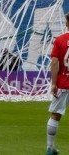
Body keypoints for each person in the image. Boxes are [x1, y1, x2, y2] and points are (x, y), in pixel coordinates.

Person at [46, 13, 69, 155]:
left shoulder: (60, 40)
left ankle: (50, 147)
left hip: (63, 84)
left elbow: (54, 62)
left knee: (55, 115)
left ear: (67, 23)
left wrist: (53, 83)